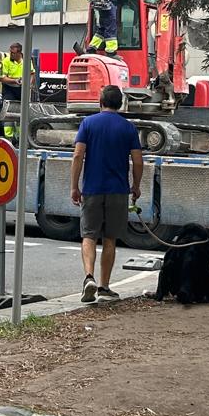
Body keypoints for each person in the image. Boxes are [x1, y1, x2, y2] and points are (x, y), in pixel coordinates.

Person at [70, 84, 143, 302]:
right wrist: (136, 185)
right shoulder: (128, 128)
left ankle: (88, 277)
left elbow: (77, 156)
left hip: (92, 189)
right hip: (118, 191)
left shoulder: (88, 123)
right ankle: (104, 286)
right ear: (120, 104)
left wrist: (74, 186)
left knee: (89, 235)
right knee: (110, 238)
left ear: (100, 102)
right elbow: (138, 161)